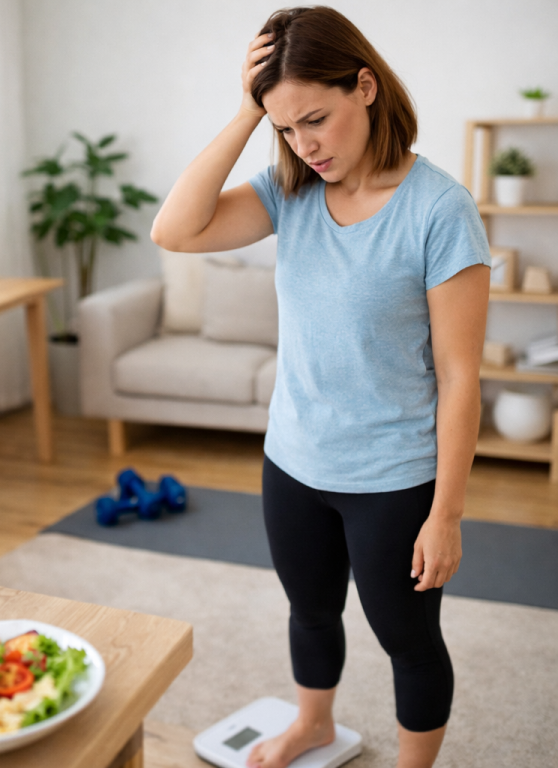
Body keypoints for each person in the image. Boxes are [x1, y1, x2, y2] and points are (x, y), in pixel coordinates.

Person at [151, 6, 490, 768]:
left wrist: (447, 514)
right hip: (294, 460)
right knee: (310, 611)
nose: (305, 144)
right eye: (286, 128)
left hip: (394, 477)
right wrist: (249, 112)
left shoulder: (440, 210)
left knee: (407, 638)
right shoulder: (290, 190)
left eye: (315, 119)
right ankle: (313, 724)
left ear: (364, 87)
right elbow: (173, 231)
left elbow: (461, 376)